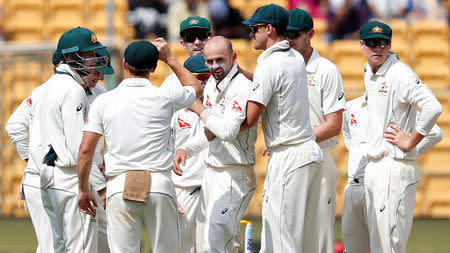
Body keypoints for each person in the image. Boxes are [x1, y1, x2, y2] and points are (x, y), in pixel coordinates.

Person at [77, 39, 203, 253]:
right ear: (154, 67)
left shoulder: (104, 101)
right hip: (160, 186)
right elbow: (196, 88)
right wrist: (170, 58)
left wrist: (82, 189)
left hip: (119, 186)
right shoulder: (165, 96)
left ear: (124, 64)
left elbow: (86, 151)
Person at [5, 47, 114, 253]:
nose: (98, 73)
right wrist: (34, 159)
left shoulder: (100, 93)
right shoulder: (47, 91)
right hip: (51, 176)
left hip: (78, 174)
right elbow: (14, 126)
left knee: (103, 241)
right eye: (92, 64)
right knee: (53, 246)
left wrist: (104, 164)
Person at [241, 4, 323, 252]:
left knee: (280, 237)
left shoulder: (269, 64)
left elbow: (250, 119)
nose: (251, 34)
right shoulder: (295, 58)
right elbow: (270, 84)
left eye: (255, 29)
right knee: (296, 238)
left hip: (288, 156)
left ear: (269, 29)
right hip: (306, 153)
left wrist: (209, 118)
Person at [359, 20, 442, 253]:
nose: (378, 48)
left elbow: (433, 107)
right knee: (377, 243)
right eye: (373, 43)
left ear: (390, 44)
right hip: (375, 167)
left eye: (383, 43)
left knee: (390, 244)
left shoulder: (400, 73)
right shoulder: (369, 71)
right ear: (362, 44)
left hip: (394, 167)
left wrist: (410, 141)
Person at [173, 36, 257, 253]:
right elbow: (212, 131)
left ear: (234, 57)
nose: (214, 67)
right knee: (210, 244)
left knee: (215, 245)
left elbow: (227, 131)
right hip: (213, 171)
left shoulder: (241, 87)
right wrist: (187, 149)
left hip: (234, 173)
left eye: (220, 60)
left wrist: (199, 108)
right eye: (209, 61)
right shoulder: (211, 84)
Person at [27, 27, 107, 253]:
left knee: (57, 247)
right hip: (71, 178)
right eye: (90, 55)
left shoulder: (41, 89)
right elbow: (77, 148)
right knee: (80, 248)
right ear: (71, 57)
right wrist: (98, 188)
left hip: (48, 178)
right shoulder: (74, 90)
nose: (95, 61)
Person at [341, 94, 443, 253]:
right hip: (353, 185)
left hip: (381, 182)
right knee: (353, 248)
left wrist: (407, 150)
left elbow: (435, 133)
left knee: (385, 247)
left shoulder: (396, 107)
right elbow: (349, 139)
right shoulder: (350, 108)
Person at [285, 8, 346, 253]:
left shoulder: (326, 70)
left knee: (318, 236)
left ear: (310, 34)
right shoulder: (278, 66)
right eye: (284, 34)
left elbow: (334, 125)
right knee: (286, 232)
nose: (288, 40)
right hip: (288, 157)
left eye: (294, 34)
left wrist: (296, 139)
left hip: (318, 157)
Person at [170, 54, 210, 253]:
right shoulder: (174, 110)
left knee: (210, 247)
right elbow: (162, 151)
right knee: (181, 248)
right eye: (197, 78)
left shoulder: (217, 110)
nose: (202, 83)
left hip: (211, 187)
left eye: (206, 77)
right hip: (182, 190)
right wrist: (169, 191)